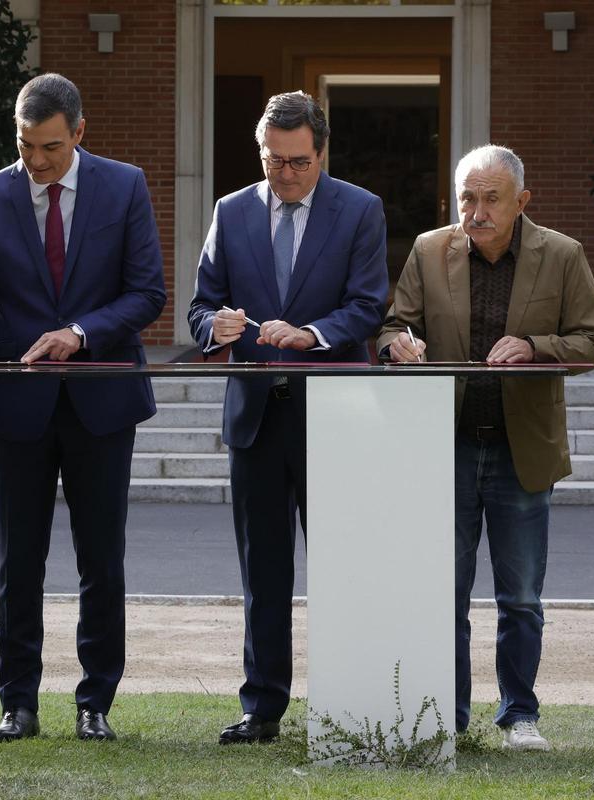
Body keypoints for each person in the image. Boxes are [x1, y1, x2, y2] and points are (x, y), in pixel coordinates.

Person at [0, 73, 165, 742]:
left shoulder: (125, 186)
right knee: (20, 562)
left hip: (102, 399)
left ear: (78, 132)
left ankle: (95, 701)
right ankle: (18, 703)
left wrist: (81, 331)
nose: (36, 162)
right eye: (24, 147)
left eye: (48, 148)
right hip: (19, 402)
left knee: (102, 560)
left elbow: (147, 294)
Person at [377, 144, 594, 751]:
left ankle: (519, 716)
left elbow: (593, 341)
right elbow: (395, 322)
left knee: (522, 597)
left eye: (490, 199)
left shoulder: (562, 255)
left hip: (520, 451)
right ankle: (446, 718)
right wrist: (397, 344)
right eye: (467, 199)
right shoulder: (429, 251)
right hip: (445, 446)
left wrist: (535, 346)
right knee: (443, 594)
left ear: (521, 202)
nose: (476, 212)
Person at [187, 91, 388, 744]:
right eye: (274, 161)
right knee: (262, 574)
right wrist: (211, 325)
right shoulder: (231, 211)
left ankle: (346, 701)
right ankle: (262, 708)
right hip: (255, 419)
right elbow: (199, 305)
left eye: (299, 162)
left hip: (333, 414)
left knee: (339, 569)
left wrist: (311, 334)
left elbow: (367, 306)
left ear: (322, 152)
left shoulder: (360, 210)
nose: (286, 174)